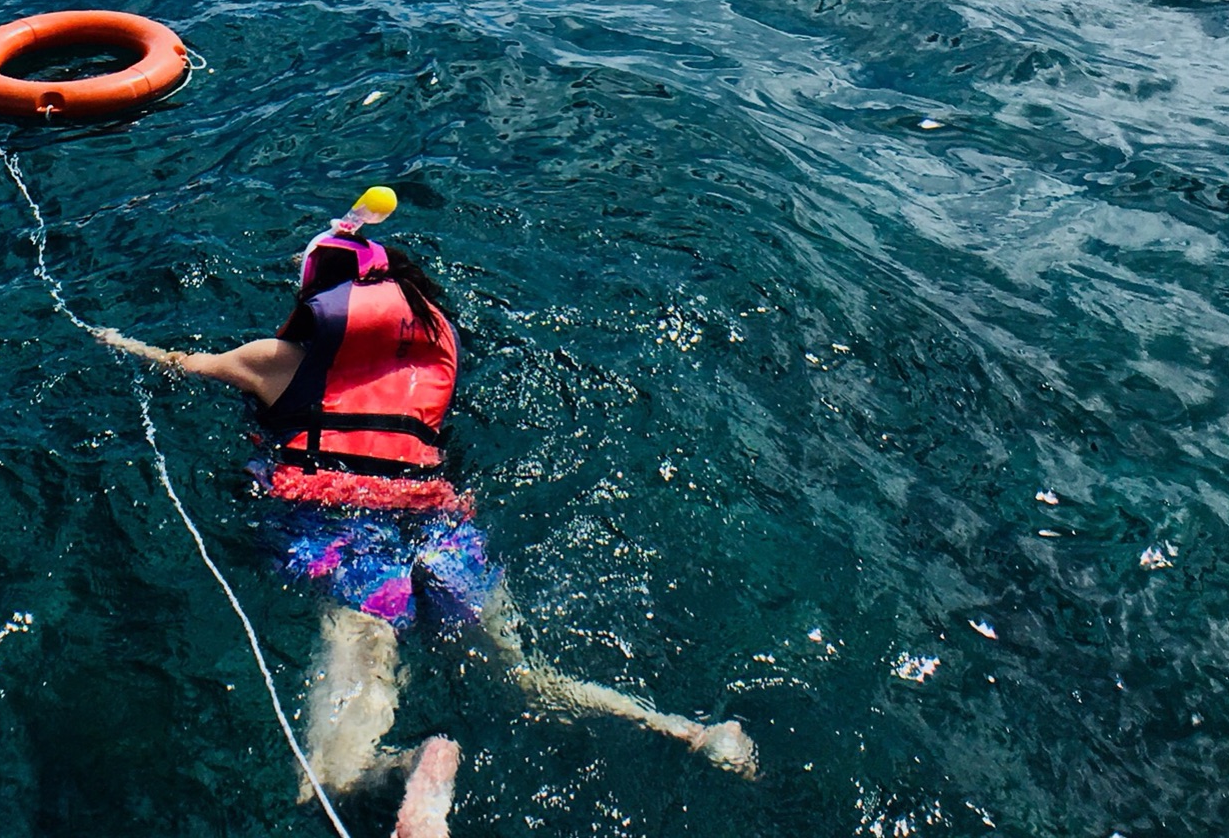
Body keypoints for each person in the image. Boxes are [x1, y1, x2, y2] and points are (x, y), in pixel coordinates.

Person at [99, 189, 756, 838]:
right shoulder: (424, 374)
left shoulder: (274, 361)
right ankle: (687, 730)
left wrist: (114, 340)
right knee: (525, 677)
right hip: (444, 535)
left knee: (329, 772)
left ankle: (419, 760)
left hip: (347, 541)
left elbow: (179, 365)